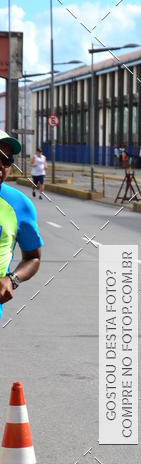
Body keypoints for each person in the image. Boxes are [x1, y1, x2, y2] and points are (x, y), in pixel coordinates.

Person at [0, 131, 43, 323]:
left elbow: (33, 257)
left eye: (7, 160)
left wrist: (12, 279)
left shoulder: (20, 205)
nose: (2, 165)